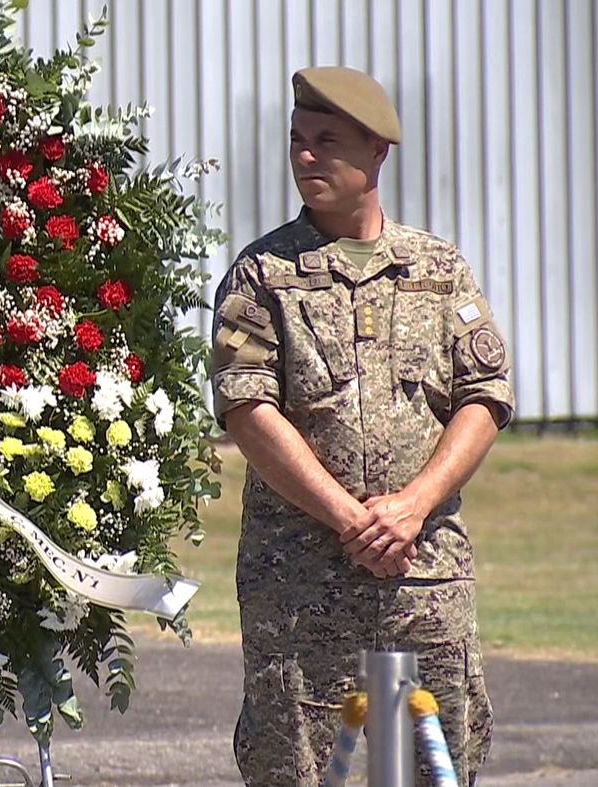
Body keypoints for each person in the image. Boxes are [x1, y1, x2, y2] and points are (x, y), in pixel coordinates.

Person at [211, 67, 514, 786]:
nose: (305, 155)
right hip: (302, 583)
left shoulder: (437, 270)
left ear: (377, 151)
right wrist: (351, 519)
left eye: (326, 141)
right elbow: (247, 408)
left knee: (440, 762)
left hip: (422, 573)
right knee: (295, 766)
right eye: (297, 139)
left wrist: (412, 507)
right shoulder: (263, 275)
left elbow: (484, 396)